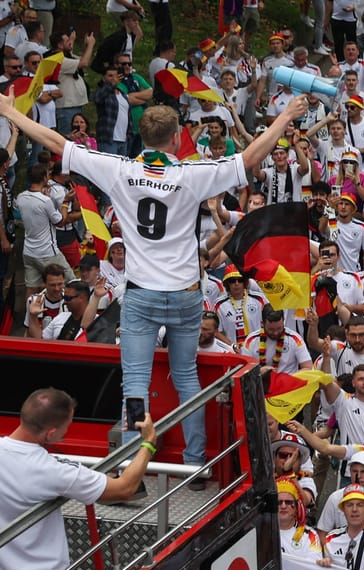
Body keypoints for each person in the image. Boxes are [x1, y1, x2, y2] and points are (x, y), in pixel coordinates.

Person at [0, 89, 309, 472]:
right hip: (184, 293)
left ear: (140, 134)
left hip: (142, 294)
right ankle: (196, 463)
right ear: (178, 135)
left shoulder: (119, 169)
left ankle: (133, 462)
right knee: (185, 377)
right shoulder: (191, 174)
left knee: (135, 385)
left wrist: (12, 113)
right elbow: (249, 158)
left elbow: (57, 142)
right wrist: (286, 116)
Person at [0, 388, 156, 570]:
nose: (67, 433)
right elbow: (124, 488)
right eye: (66, 427)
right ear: (50, 433)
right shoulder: (53, 470)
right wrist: (148, 444)